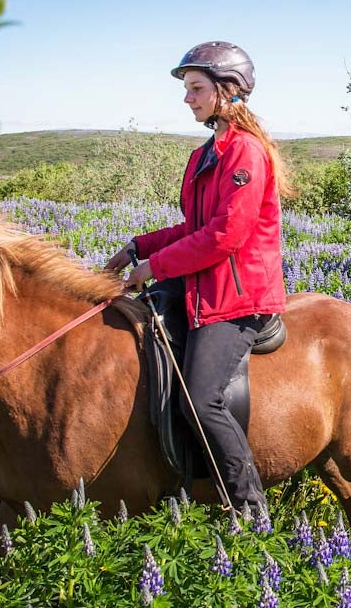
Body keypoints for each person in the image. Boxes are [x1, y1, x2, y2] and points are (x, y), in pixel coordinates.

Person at [105, 41, 290, 515]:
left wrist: (154, 267)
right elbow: (194, 228)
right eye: (187, 89)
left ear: (228, 92)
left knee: (201, 399)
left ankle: (249, 506)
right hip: (201, 288)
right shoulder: (206, 154)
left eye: (196, 88)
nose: (187, 98)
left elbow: (225, 236)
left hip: (239, 298)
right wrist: (137, 248)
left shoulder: (246, 152)